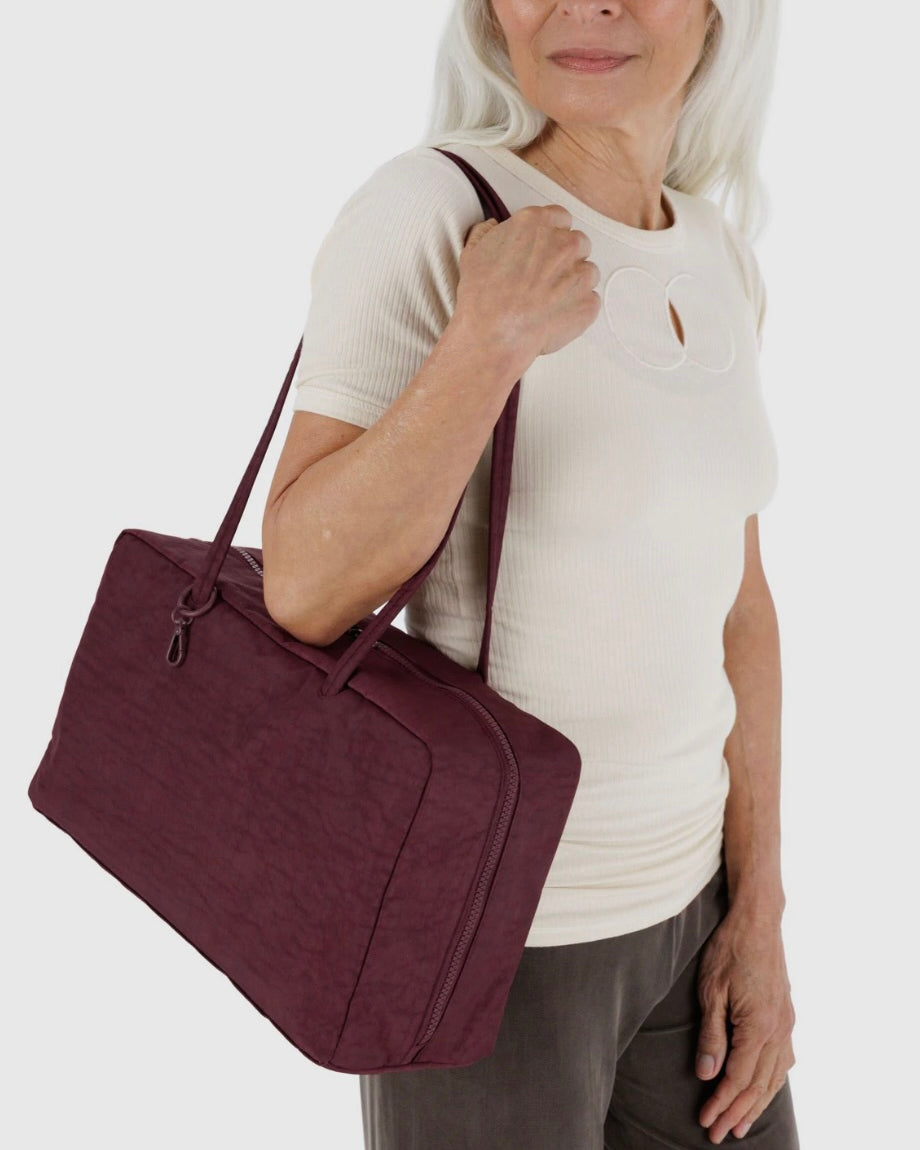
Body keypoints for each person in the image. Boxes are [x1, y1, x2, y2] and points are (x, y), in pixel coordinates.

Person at [261, 0, 799, 1145]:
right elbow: (302, 590)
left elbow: (736, 601)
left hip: (692, 917)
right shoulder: (433, 209)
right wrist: (484, 341)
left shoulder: (714, 252)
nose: (582, 4)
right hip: (487, 933)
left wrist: (757, 909)